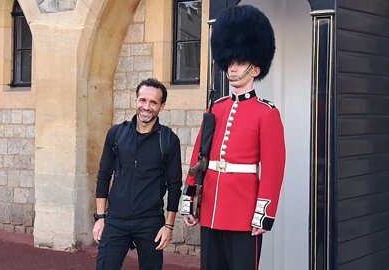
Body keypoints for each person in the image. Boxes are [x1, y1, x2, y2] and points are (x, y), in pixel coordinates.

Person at [181, 5, 286, 270]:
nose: (232, 69)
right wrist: (189, 199)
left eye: (239, 63)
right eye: (229, 63)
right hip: (211, 209)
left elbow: (273, 170)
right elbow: (198, 157)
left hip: (243, 210)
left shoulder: (267, 113)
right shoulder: (216, 108)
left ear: (255, 68)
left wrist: (263, 213)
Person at [93, 78, 182, 270]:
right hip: (115, 220)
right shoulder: (116, 133)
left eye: (153, 102)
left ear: (162, 106)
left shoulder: (168, 140)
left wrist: (169, 226)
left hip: (150, 222)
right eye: (142, 100)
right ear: (136, 101)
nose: (146, 107)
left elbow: (175, 186)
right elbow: (104, 174)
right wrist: (100, 217)